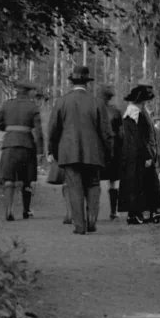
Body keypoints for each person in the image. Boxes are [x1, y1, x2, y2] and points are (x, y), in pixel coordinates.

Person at [47, 65, 113, 235]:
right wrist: (108, 153)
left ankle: (79, 225)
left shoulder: (61, 102)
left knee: (74, 187)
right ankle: (92, 220)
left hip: (69, 153)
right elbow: (106, 132)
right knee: (93, 185)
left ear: (72, 82)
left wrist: (53, 151)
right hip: (94, 152)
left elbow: (53, 130)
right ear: (87, 83)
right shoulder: (97, 102)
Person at [118, 84, 160, 225]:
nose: (147, 103)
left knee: (145, 183)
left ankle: (151, 211)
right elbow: (140, 138)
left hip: (136, 154)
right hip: (138, 155)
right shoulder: (135, 114)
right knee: (138, 184)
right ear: (140, 101)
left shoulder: (137, 112)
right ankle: (136, 214)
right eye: (145, 100)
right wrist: (147, 156)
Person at [0, 80, 43, 221]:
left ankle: (9, 210)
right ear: (28, 92)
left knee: (9, 179)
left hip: (9, 144)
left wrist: (9, 131)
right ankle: (26, 211)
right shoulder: (33, 107)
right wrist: (40, 151)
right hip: (27, 145)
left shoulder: (6, 104)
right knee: (26, 180)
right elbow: (38, 132)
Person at [96, 85, 124, 221]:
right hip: (113, 150)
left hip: (98, 150)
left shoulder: (94, 110)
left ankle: (93, 211)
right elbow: (121, 134)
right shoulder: (116, 112)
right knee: (113, 182)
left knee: (94, 181)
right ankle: (113, 211)